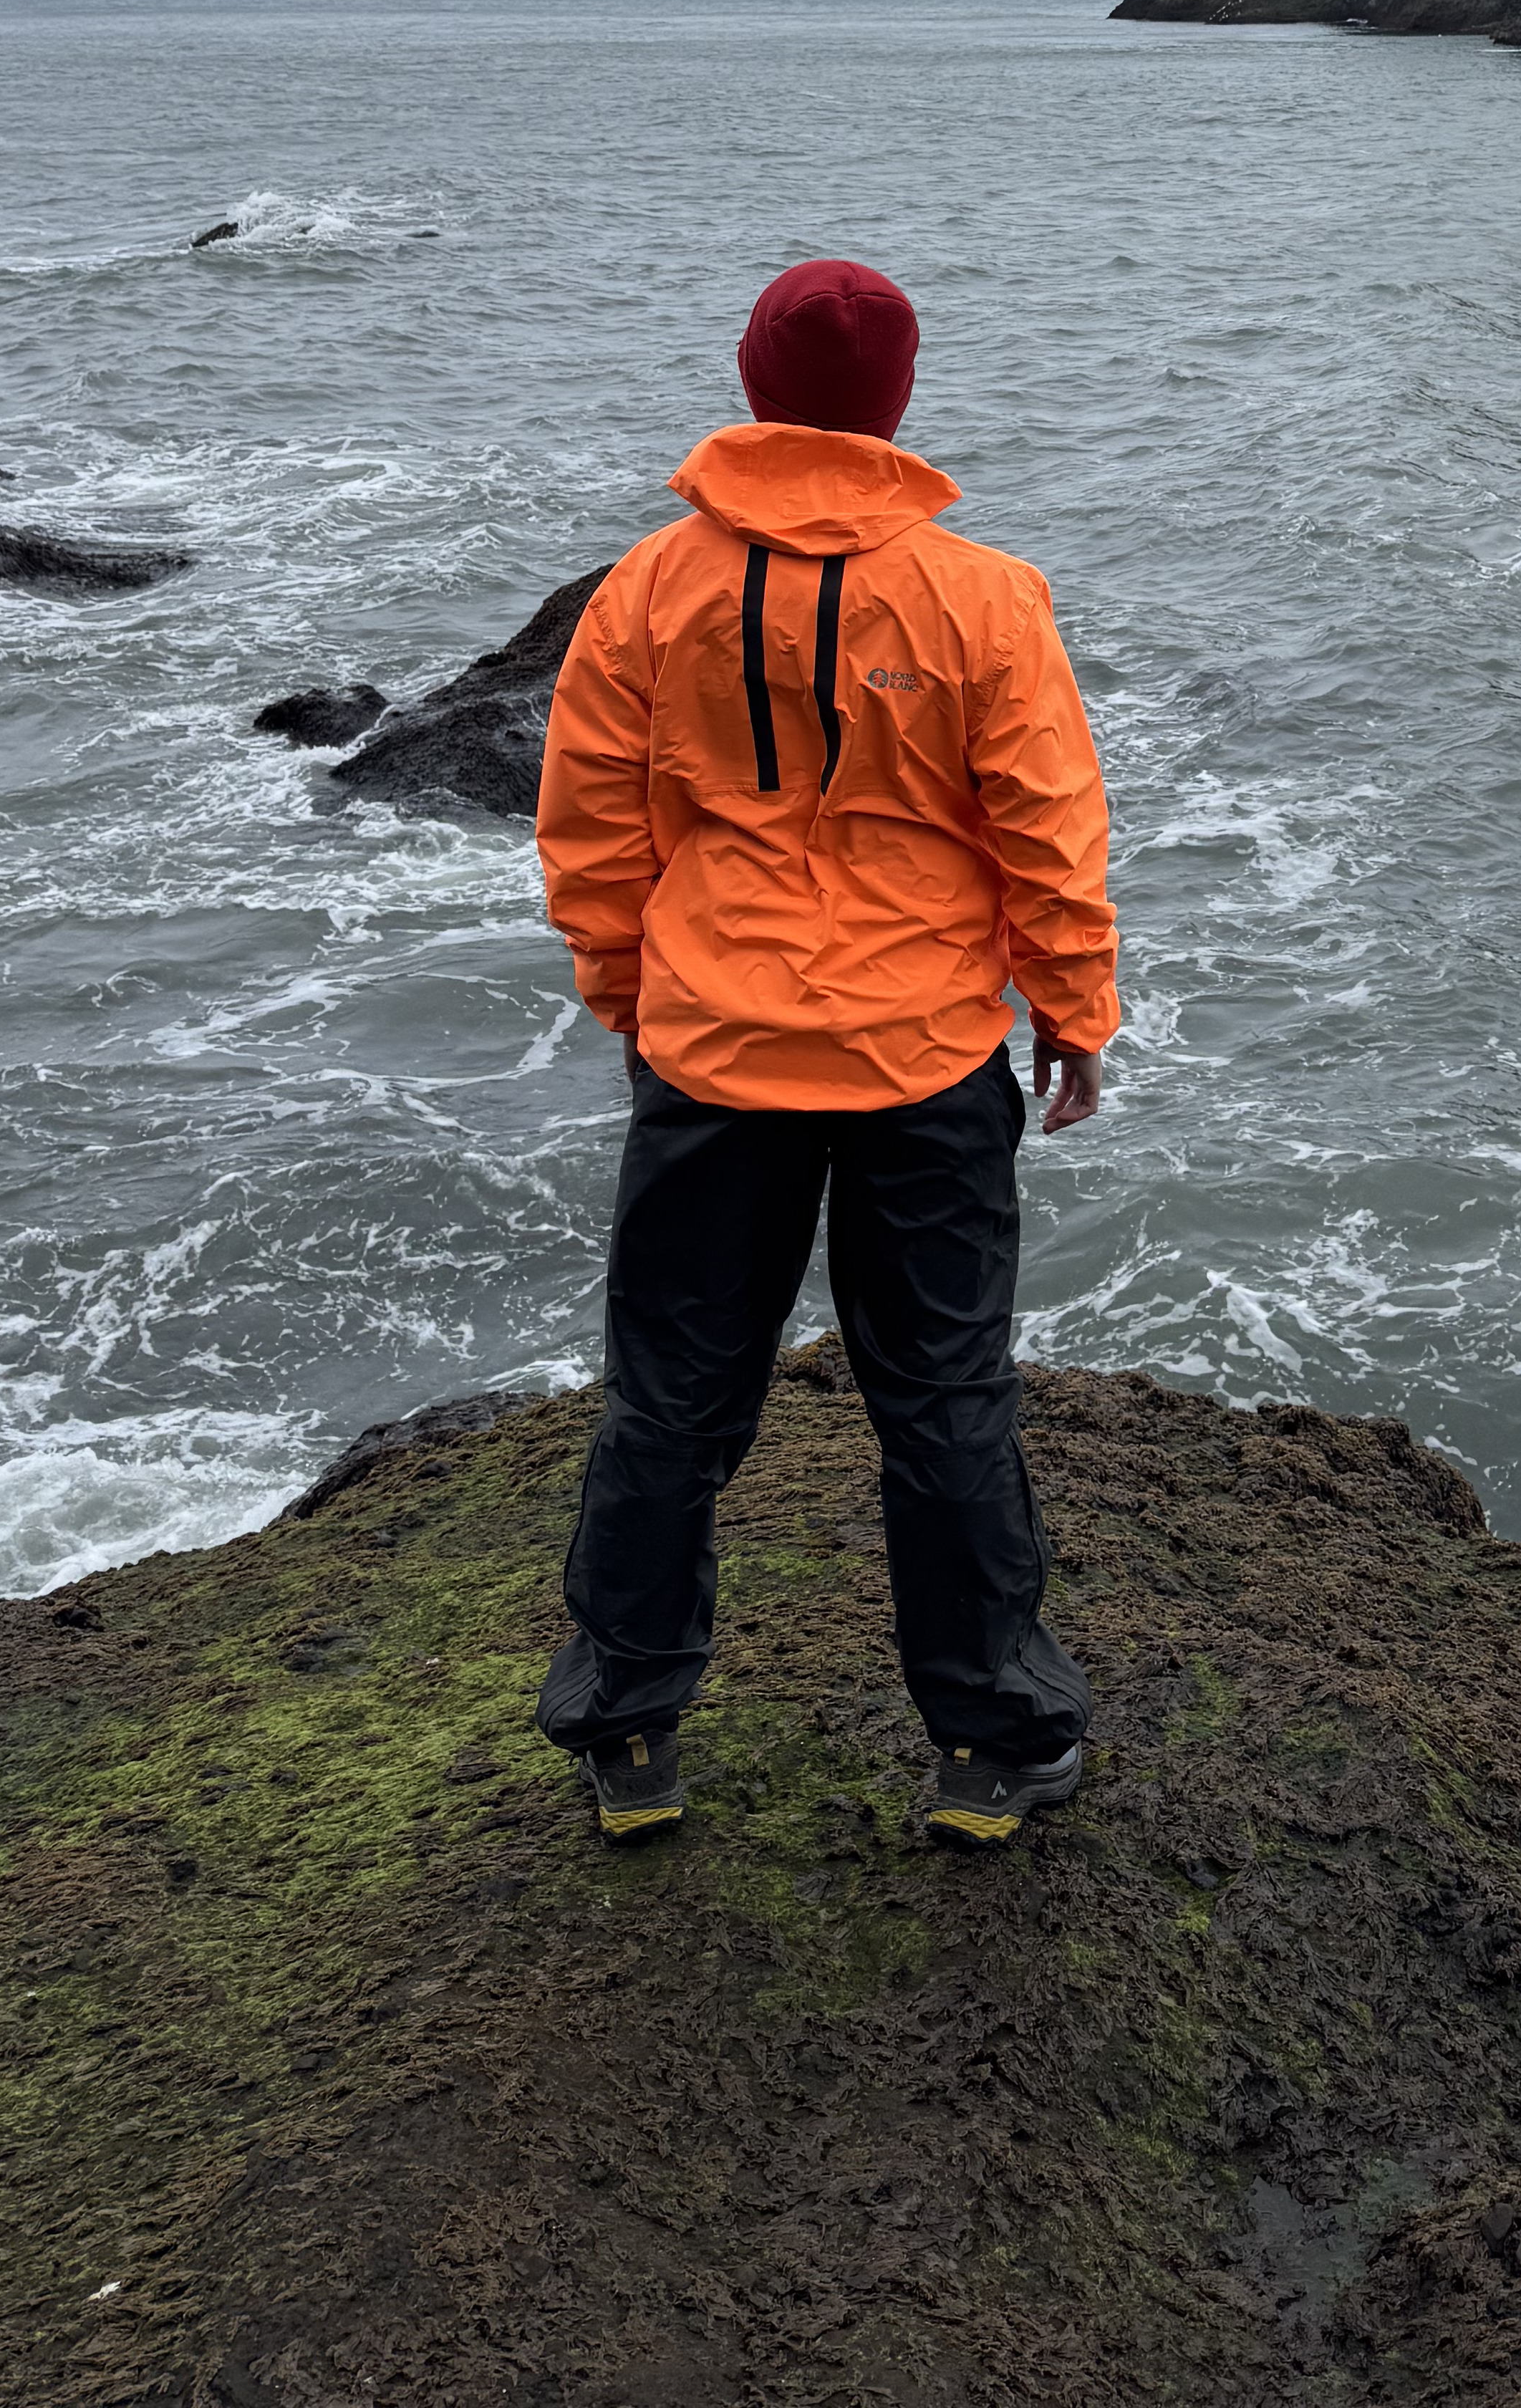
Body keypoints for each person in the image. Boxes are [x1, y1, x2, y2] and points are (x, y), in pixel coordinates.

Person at [529, 255, 1116, 1848]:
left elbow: (587, 827)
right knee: (943, 1399)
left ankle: (628, 1733)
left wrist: (628, 994)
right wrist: (1073, 1007)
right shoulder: (983, 594)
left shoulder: (648, 588)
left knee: (671, 1397)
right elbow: (1046, 829)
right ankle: (992, 1745)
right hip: (925, 1055)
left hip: (713, 1050)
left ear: (751, 384)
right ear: (898, 403)